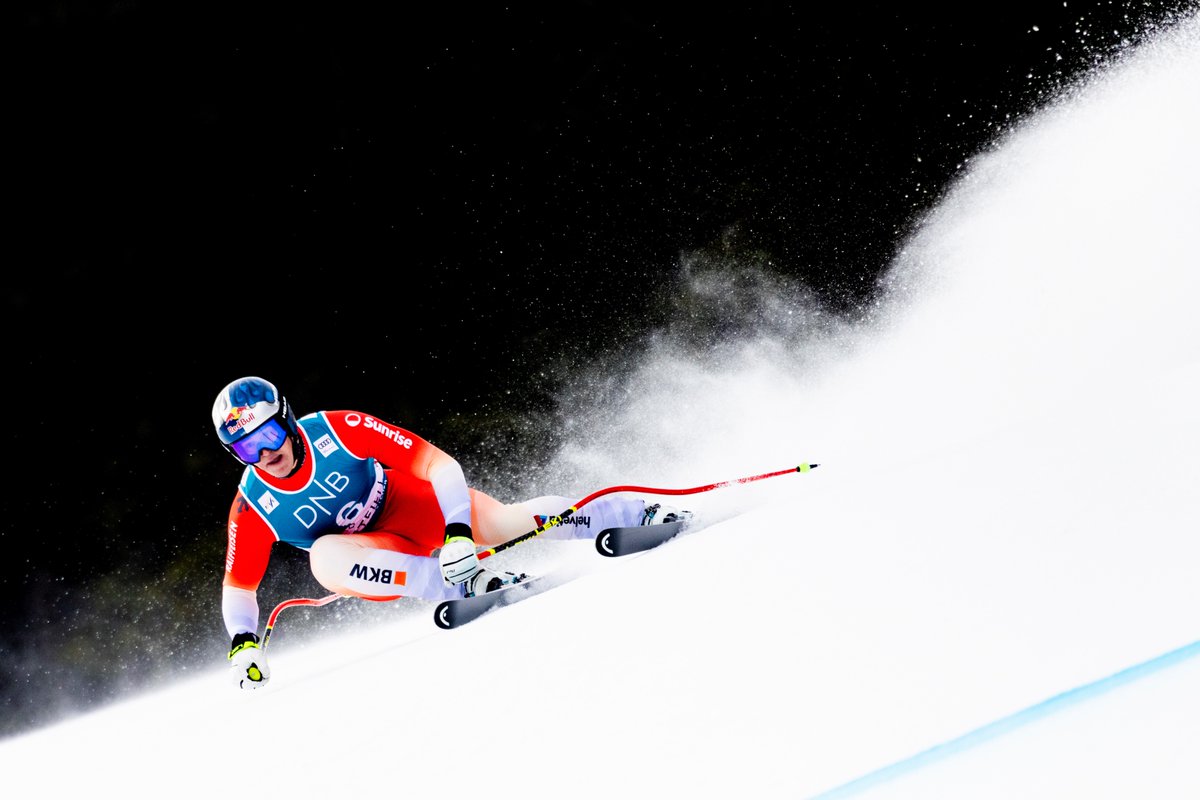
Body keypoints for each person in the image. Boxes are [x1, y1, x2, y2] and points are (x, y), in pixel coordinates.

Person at [213, 376, 687, 690]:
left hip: (413, 506)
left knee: (505, 525)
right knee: (324, 559)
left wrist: (459, 533)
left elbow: (439, 465)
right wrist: (243, 644)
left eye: (269, 436)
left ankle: (629, 512)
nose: (265, 454)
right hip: (379, 556)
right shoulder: (252, 504)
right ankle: (459, 583)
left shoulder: (337, 430)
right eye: (247, 449)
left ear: (287, 420)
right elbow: (239, 587)